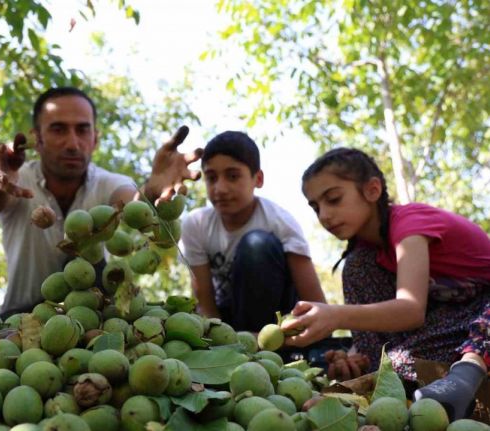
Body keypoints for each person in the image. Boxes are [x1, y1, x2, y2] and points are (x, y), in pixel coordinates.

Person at [286, 147, 490, 420]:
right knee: (357, 266)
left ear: (372, 190)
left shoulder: (410, 225)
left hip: (482, 316)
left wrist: (335, 315)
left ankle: (461, 376)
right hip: (452, 321)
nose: (323, 215)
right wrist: (355, 356)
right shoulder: (367, 255)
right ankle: (382, 377)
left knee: (398, 363)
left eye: (333, 199)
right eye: (315, 207)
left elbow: (411, 309)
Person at [0, 86, 201, 318]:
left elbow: (131, 201)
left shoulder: (110, 183)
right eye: (58, 129)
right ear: (37, 139)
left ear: (95, 139)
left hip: (90, 320)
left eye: (82, 130)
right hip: (18, 320)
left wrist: (151, 192)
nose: (72, 143)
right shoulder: (17, 181)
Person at [179, 131, 325, 332]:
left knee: (257, 244)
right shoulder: (196, 225)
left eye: (232, 176)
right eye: (211, 178)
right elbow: (205, 303)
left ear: (258, 179)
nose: (220, 188)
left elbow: (316, 305)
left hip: (277, 325)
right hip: (229, 324)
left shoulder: (279, 222)